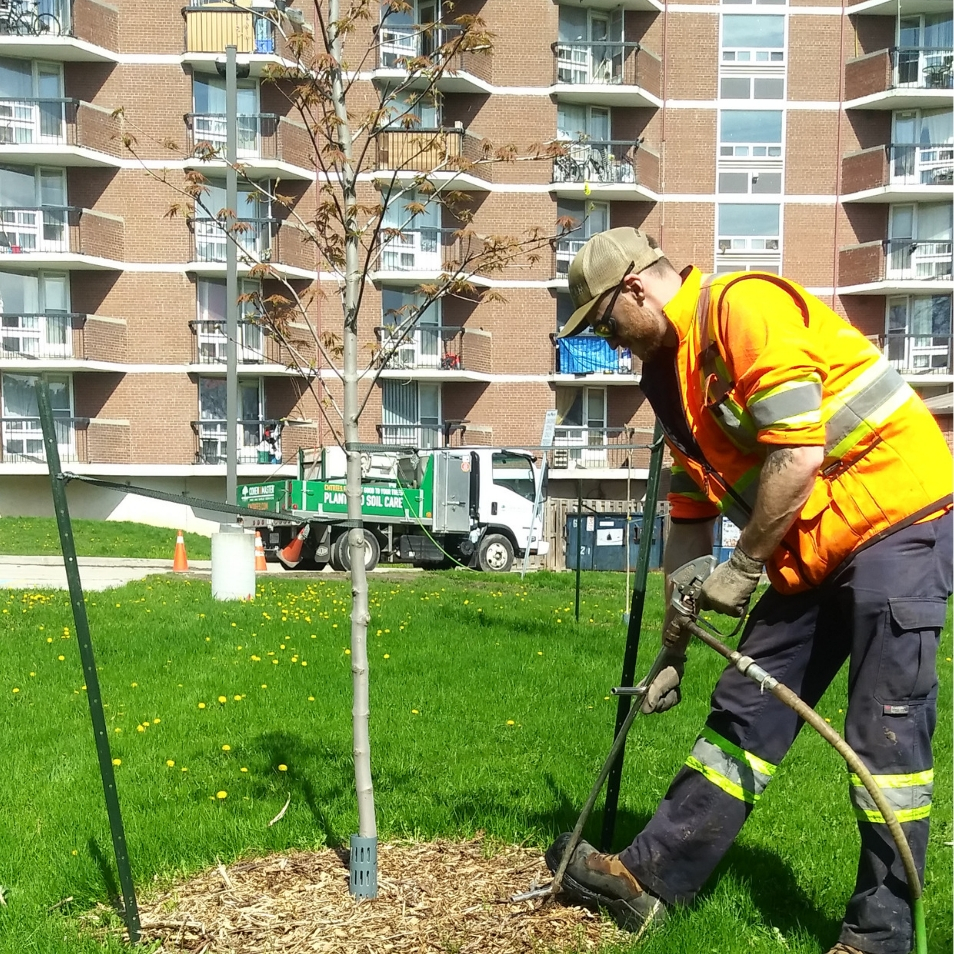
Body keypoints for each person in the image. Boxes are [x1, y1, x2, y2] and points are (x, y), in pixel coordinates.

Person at [545, 227, 953, 954]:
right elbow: (690, 527)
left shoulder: (742, 310)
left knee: (885, 740)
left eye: (607, 322)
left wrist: (744, 568)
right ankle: (650, 880)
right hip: (810, 546)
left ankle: (881, 935)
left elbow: (798, 453)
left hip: (899, 522)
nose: (610, 342)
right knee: (745, 708)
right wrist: (673, 651)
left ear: (637, 286)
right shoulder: (669, 383)